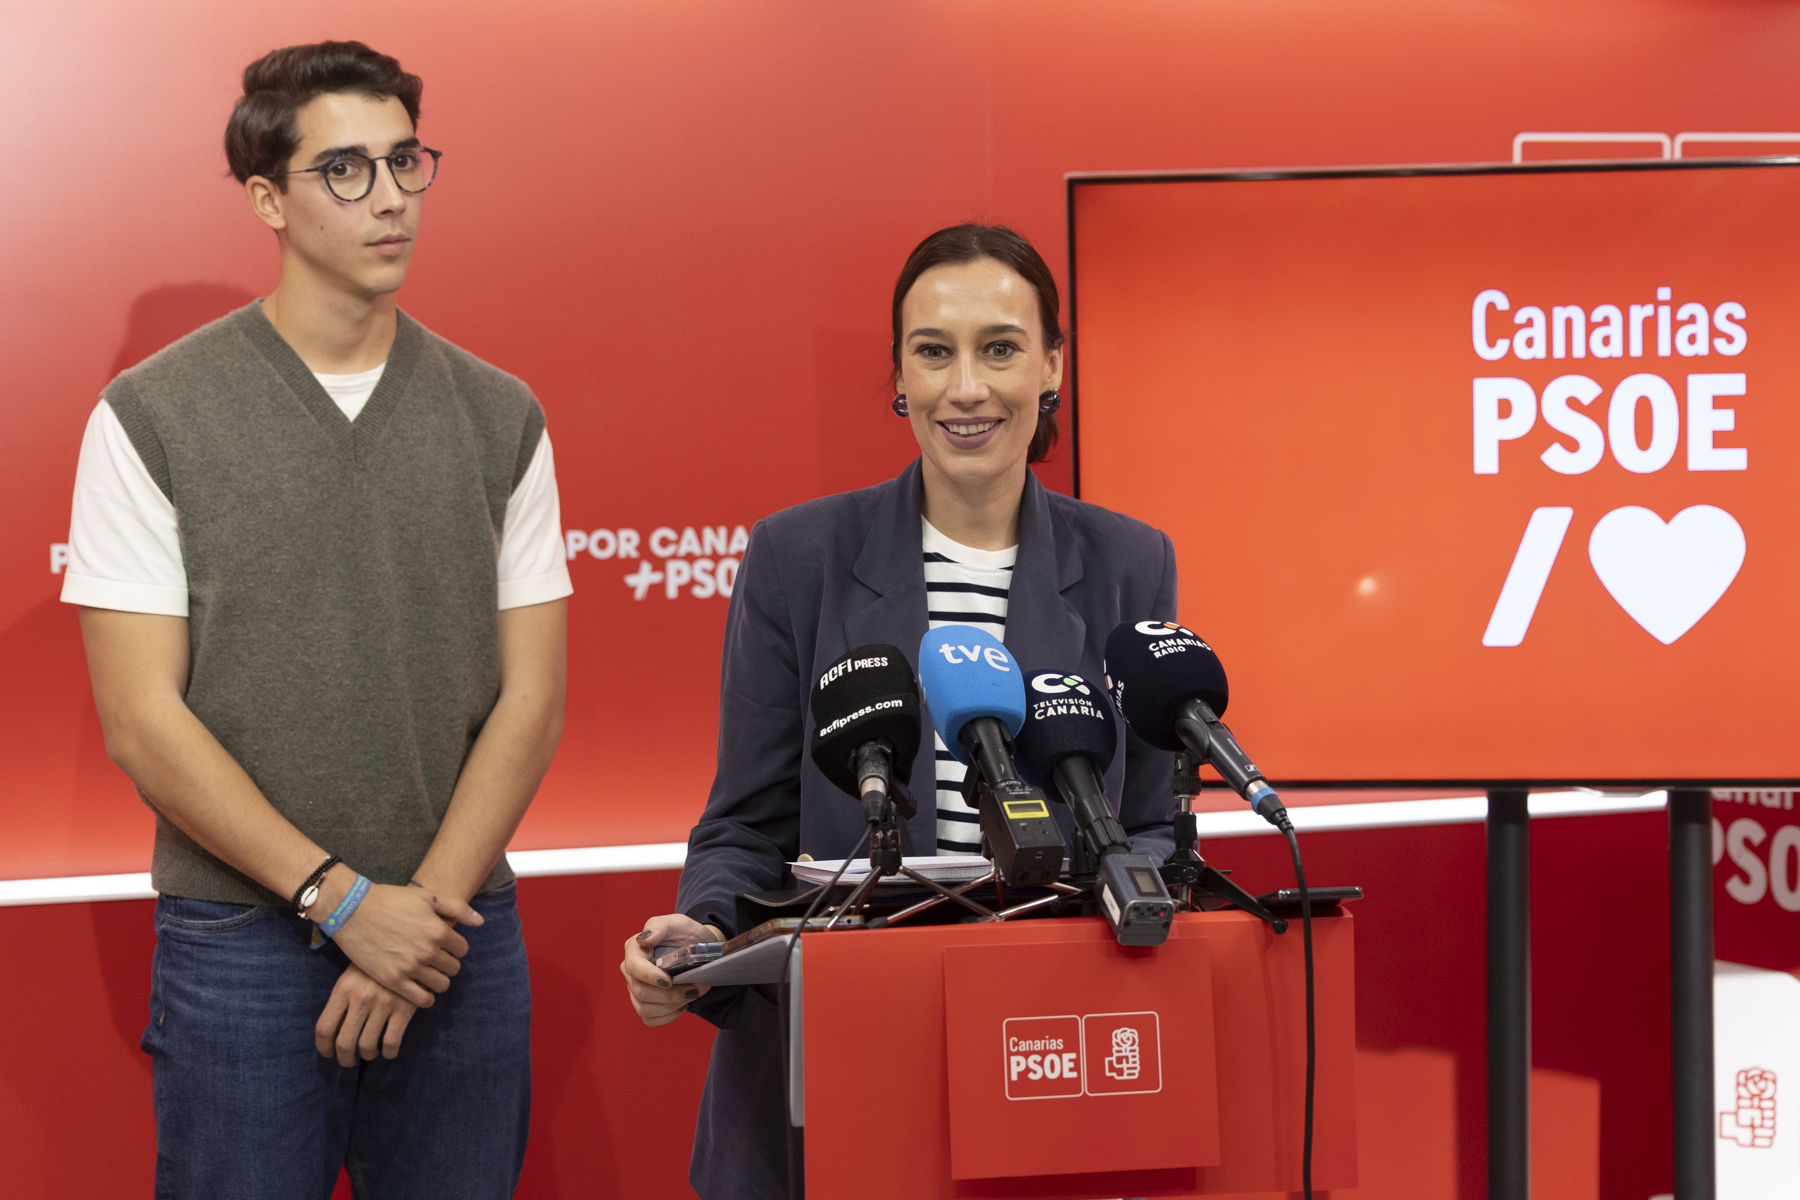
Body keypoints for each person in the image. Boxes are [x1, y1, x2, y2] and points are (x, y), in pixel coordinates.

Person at [62, 41, 569, 1199]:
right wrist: (341, 904)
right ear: (266, 199)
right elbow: (143, 720)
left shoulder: (500, 414)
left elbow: (532, 700)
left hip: (455, 934)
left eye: (405, 162)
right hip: (242, 943)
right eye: (345, 169)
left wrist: (414, 925)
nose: (390, 197)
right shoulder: (150, 415)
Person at [619, 223, 1180, 1199]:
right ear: (899, 375)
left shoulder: (1131, 562)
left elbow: (1153, 825)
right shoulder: (798, 558)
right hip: (837, 1062)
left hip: (1048, 1052)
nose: (966, 388)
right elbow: (745, 824)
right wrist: (703, 937)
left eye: (1000, 349)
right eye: (933, 352)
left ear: (1052, 367)